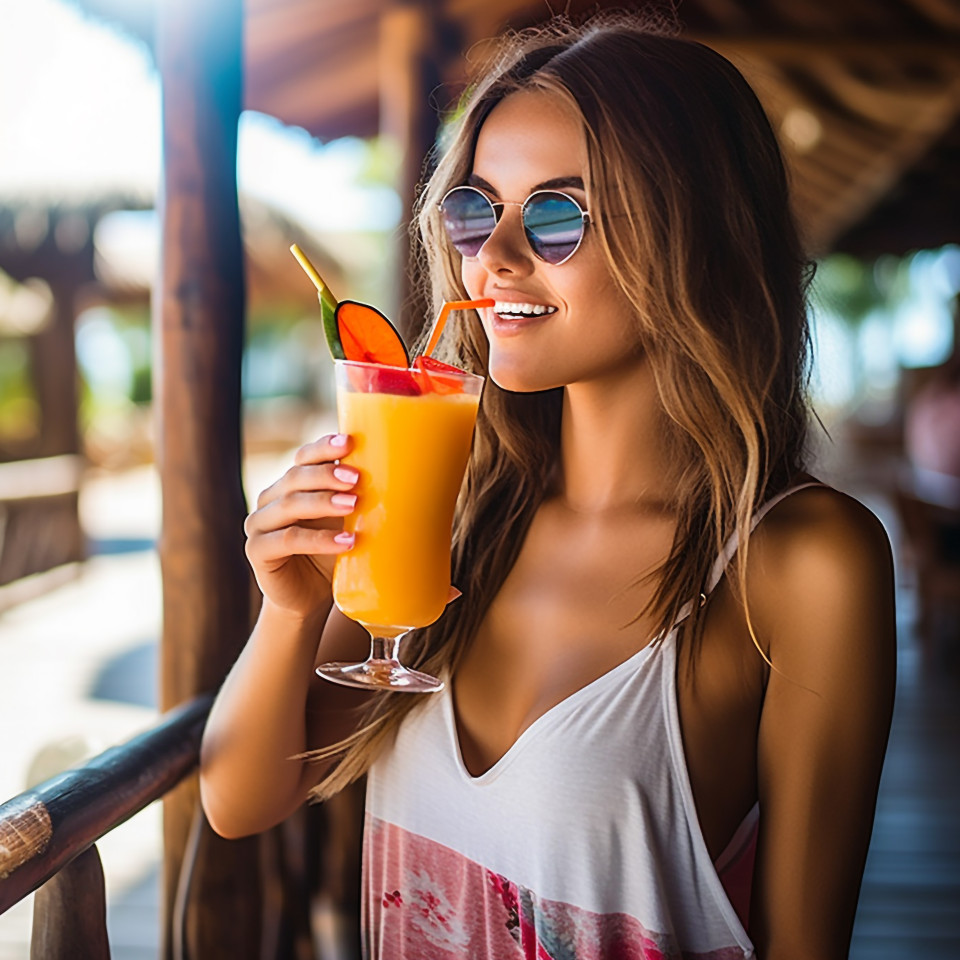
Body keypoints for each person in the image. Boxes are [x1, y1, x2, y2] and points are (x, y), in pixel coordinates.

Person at [200, 13, 897, 960]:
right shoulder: (453, 504)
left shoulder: (804, 561)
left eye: (560, 215)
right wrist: (288, 609)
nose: (494, 258)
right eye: (476, 210)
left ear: (693, 230)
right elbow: (239, 800)